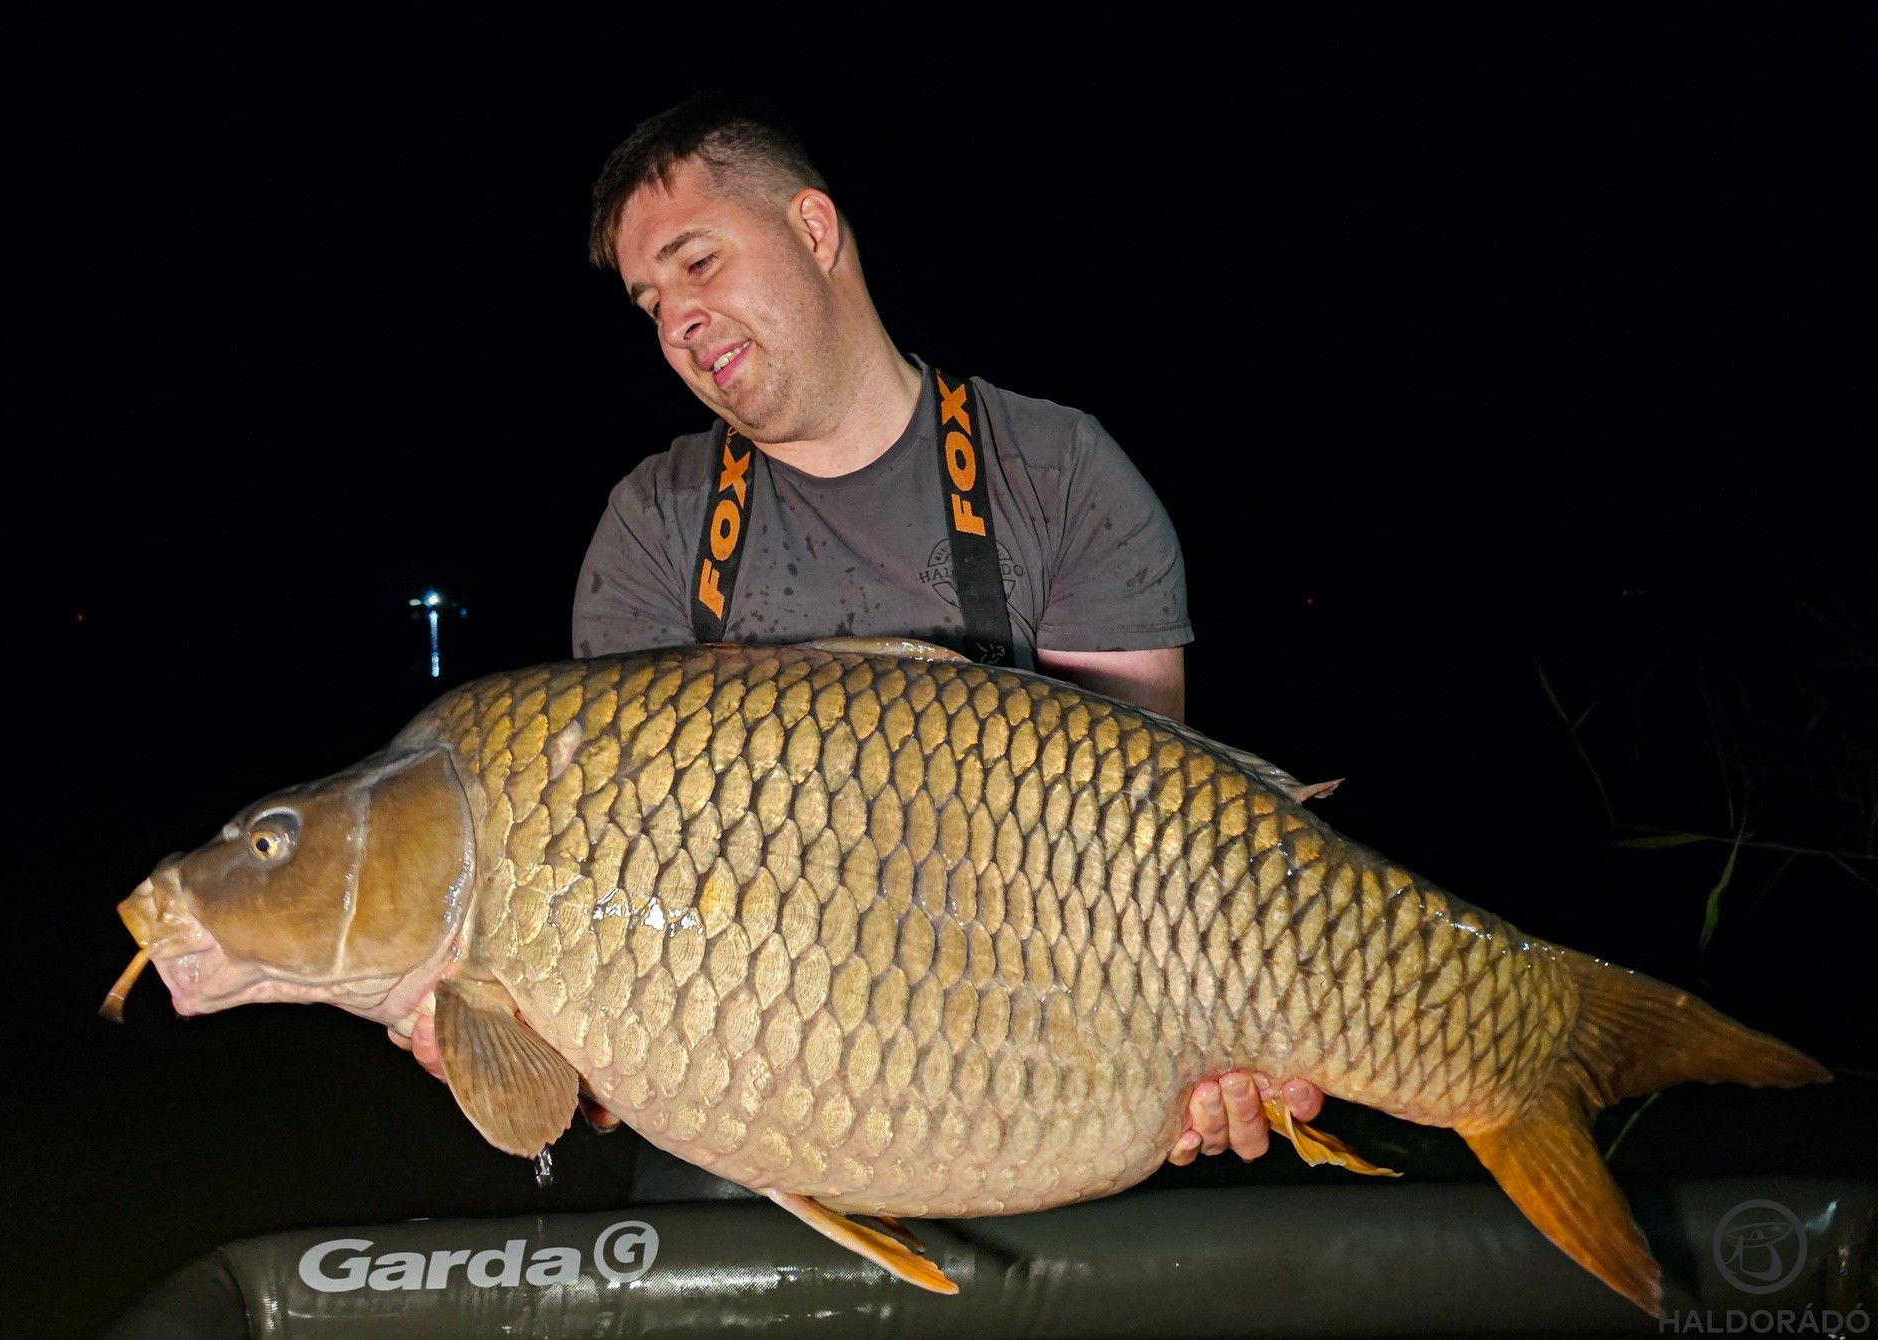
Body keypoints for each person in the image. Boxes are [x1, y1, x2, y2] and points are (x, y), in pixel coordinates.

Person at [395, 92, 1326, 1170]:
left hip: (1034, 1089)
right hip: (744, 1121)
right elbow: (619, 923)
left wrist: (1218, 1057)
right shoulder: (656, 526)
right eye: (650, 300)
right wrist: (520, 1042)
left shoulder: (1061, 477)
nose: (675, 322)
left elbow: (1150, 849)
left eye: (697, 264)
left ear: (815, 228)